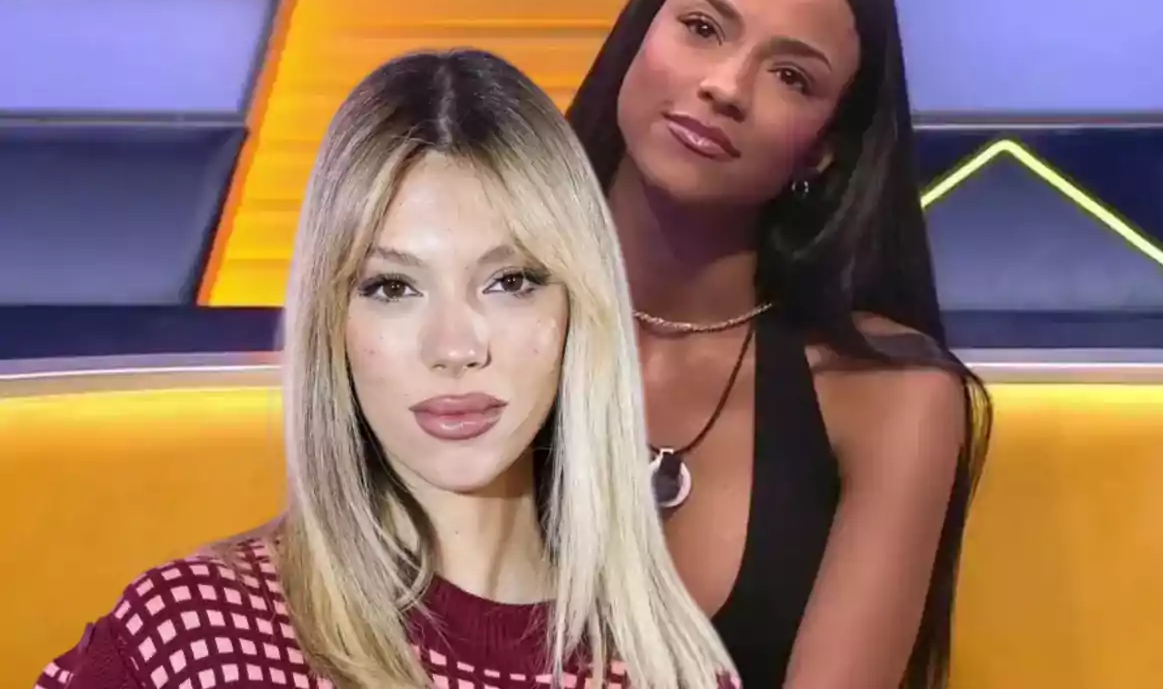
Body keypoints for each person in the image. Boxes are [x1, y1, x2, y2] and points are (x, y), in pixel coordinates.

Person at [35, 49, 735, 689]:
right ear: (333, 326)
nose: (455, 346)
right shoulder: (193, 637)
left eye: (512, 280)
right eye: (393, 288)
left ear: (579, 310)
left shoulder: (671, 672)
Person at [567, 0, 992, 689]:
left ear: (826, 150)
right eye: (701, 28)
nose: (727, 86)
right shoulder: (479, 325)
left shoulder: (888, 394)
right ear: (637, 36)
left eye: (791, 75)